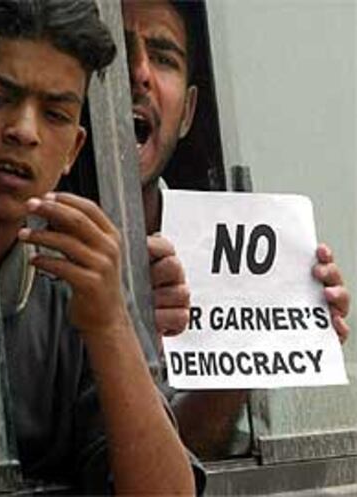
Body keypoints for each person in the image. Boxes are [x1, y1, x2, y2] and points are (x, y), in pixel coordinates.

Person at [0, 0, 204, 494]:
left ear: (74, 150)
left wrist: (109, 323)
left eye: (54, 114)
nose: (23, 131)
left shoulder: (77, 280)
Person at [121, 0, 351, 459]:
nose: (140, 74)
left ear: (187, 114)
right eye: (121, 51)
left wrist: (263, 340)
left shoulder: (219, 252)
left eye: (164, 58)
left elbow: (185, 462)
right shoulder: (25, 241)